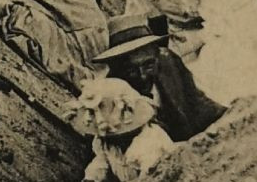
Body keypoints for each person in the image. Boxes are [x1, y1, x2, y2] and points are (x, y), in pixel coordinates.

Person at [91, 14, 223, 144]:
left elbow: (197, 103)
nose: (142, 76)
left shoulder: (169, 62)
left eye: (149, 65)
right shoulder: (111, 100)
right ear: (116, 69)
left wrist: (232, 113)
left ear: (157, 53)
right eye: (131, 70)